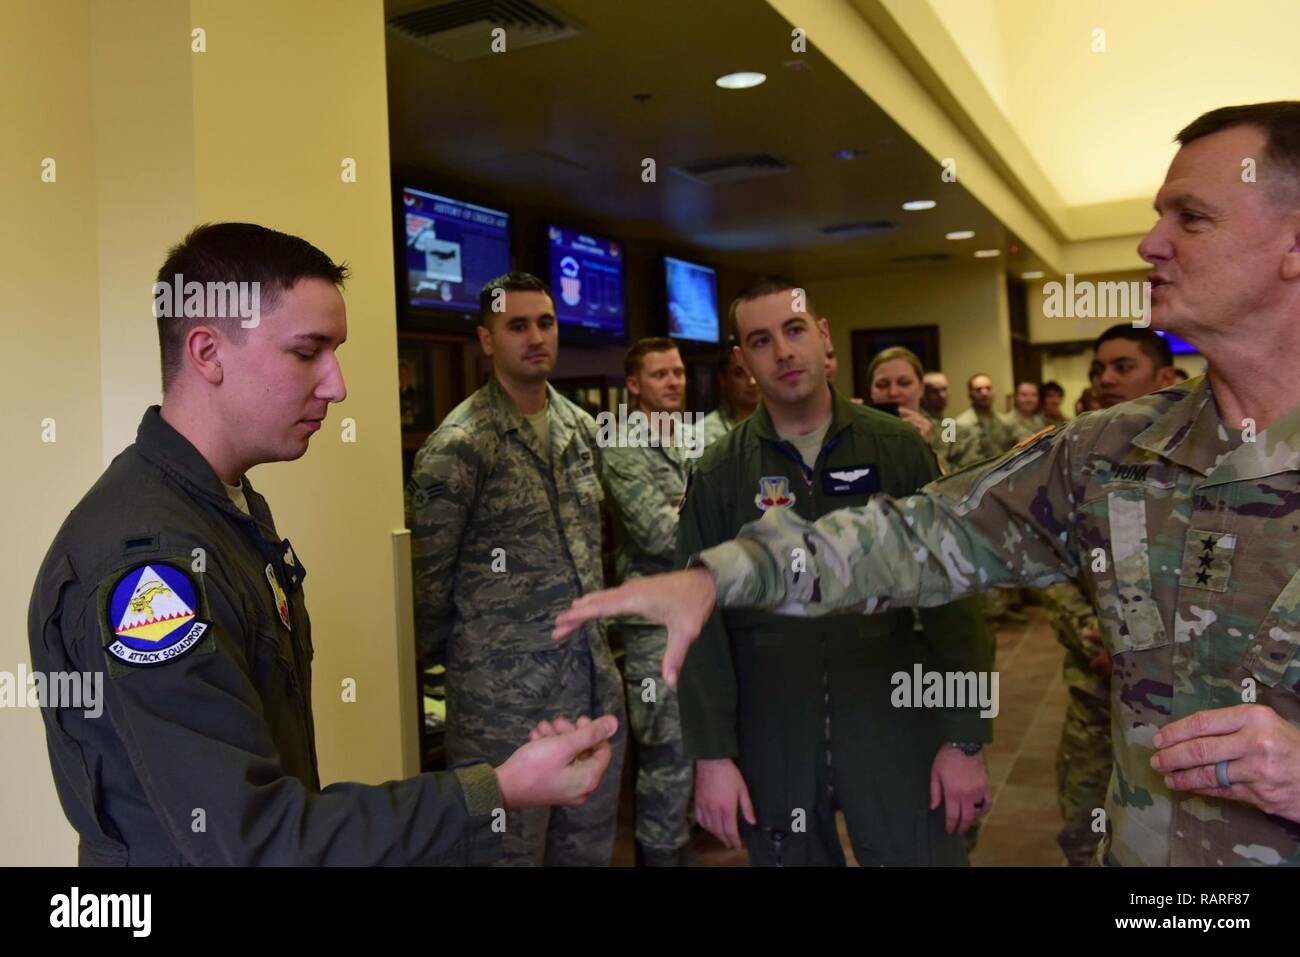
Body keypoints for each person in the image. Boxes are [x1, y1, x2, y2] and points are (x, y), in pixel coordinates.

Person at [555, 101, 1300, 867]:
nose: (1151, 243)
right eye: (1156, 215)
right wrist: (722, 574)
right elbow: (928, 539)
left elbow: (954, 624)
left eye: (1193, 217)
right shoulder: (1114, 449)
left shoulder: (889, 442)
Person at [26, 224, 617, 866]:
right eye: (308, 352)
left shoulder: (228, 508)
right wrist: (497, 789)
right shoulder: (149, 567)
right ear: (207, 352)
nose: (336, 386)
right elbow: (255, 839)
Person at [678, 278, 993, 866]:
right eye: (761, 341)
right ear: (743, 362)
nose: (784, 352)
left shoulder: (897, 449)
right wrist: (713, 757)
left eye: (795, 330)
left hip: (893, 713)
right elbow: (697, 626)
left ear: (823, 338)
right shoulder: (720, 472)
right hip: (773, 726)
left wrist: (965, 736)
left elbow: (957, 597)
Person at [407, 271, 626, 866]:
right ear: (486, 339)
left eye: (546, 322)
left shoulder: (581, 429)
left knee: (585, 851)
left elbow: (593, 551)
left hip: (587, 685)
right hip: (500, 707)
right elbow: (426, 585)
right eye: (517, 326)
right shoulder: (460, 444)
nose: (536, 337)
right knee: (503, 855)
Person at [1043, 324, 1179, 866]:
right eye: (1099, 369)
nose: (1105, 379)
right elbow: (1051, 570)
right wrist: (1090, 634)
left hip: (1180, 710)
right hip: (1096, 698)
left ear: (1166, 378)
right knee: (1083, 832)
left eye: (1123, 367)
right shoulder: (1081, 464)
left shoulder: (1205, 469)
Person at [600, 337, 696, 866]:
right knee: (665, 757)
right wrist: (697, 517)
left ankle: (681, 851)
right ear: (634, 384)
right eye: (660, 375)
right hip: (653, 626)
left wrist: (690, 513)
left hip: (701, 614)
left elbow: (729, 510)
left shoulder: (692, 437)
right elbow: (659, 534)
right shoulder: (622, 443)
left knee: (696, 752)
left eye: (678, 372)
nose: (674, 382)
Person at [867, 346, 960, 474]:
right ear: (871, 391)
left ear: (921, 388)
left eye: (904, 383)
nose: (893, 392)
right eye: (882, 385)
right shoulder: (860, 435)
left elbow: (967, 488)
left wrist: (927, 450)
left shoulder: (952, 434)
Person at [699, 337, 760, 447]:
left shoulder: (783, 424)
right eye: (739, 374)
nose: (752, 381)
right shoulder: (704, 433)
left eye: (754, 369)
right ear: (723, 380)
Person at [950, 373, 1016, 469]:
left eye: (988, 388)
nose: (984, 393)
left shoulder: (1004, 421)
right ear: (970, 394)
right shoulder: (960, 424)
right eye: (978, 389)